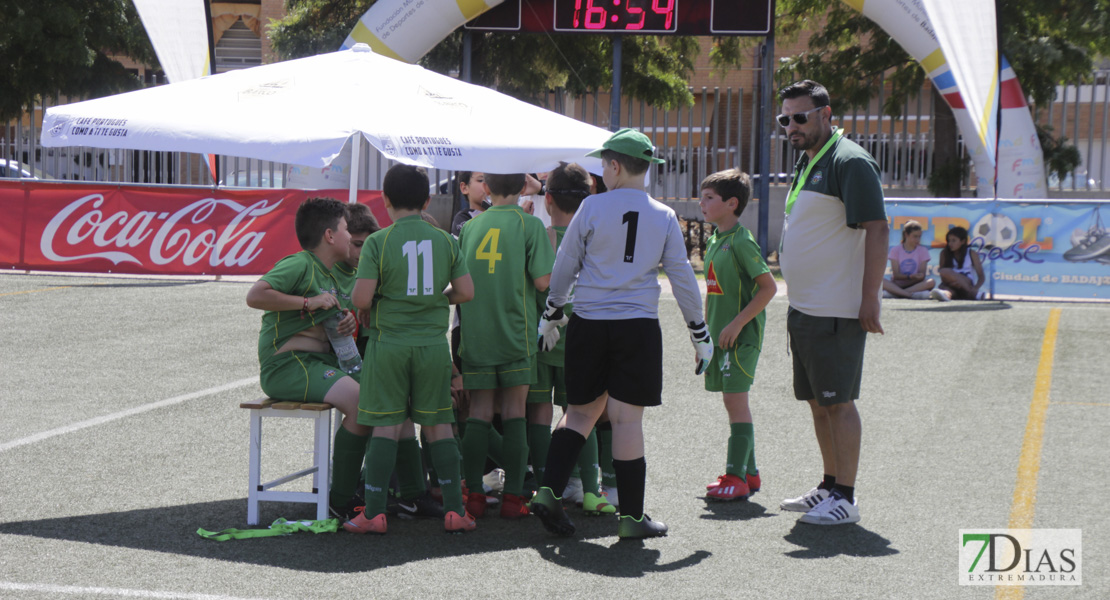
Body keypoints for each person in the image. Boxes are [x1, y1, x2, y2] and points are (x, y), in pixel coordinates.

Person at [529, 128, 713, 540]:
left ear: (614, 166)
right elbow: (682, 277)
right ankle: (630, 519)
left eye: (602, 167)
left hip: (589, 324)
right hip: (637, 327)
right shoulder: (664, 215)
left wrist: (552, 311)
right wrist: (698, 331)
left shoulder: (591, 208)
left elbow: (565, 264)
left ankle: (547, 490)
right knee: (627, 420)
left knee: (578, 412)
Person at [776, 80, 887, 526]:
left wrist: (870, 298)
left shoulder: (850, 160)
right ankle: (828, 485)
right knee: (818, 403)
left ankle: (847, 497)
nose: (791, 126)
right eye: (785, 119)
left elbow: (877, 229)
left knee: (838, 402)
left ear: (825, 113)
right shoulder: (809, 160)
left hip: (836, 309)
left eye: (800, 117)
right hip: (805, 307)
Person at [343, 164, 476, 535]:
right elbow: (465, 292)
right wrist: (436, 298)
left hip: (389, 347)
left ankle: (373, 514)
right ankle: (454, 512)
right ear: (427, 200)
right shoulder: (446, 240)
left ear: (385, 200)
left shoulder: (377, 242)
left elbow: (361, 298)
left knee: (386, 424)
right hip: (433, 347)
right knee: (438, 426)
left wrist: (383, 301)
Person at [245, 197, 370, 521]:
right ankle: (341, 498)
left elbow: (326, 325)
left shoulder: (328, 272)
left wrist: (348, 323)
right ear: (330, 235)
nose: (349, 236)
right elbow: (255, 295)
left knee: (385, 395)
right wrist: (307, 301)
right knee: (361, 402)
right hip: (287, 366)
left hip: (318, 364)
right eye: (345, 230)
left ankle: (375, 487)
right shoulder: (300, 263)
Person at [457, 172, 555, 520]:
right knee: (515, 414)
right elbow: (544, 281)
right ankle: (514, 497)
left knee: (479, 414)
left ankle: (474, 498)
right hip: (517, 331)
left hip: (477, 333)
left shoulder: (470, 227)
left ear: (486, 188)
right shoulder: (529, 225)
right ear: (520, 187)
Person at [527, 162, 615, 516]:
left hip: (541, 340)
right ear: (590, 197)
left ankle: (543, 484)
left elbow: (540, 284)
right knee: (583, 414)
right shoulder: (597, 240)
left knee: (539, 413)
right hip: (582, 341)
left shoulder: (541, 235)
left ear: (547, 200)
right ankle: (592, 489)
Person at [698, 168, 777, 501]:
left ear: (732, 203)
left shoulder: (742, 241)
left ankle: (736, 477)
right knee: (732, 402)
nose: (701, 202)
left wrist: (737, 324)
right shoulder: (716, 238)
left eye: (709, 198)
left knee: (735, 401)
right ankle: (750, 474)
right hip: (720, 338)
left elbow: (768, 288)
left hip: (740, 338)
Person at [883, 220, 936, 300]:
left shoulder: (923, 250)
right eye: (915, 236)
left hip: (915, 284)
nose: (918, 240)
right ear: (906, 235)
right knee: (881, 281)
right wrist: (910, 276)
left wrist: (915, 278)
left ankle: (897, 293)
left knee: (931, 282)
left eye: (919, 236)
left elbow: (922, 275)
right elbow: (896, 275)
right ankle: (909, 294)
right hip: (898, 284)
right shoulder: (895, 250)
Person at [931, 226, 985, 301]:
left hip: (966, 283)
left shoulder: (971, 253)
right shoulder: (944, 253)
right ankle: (947, 295)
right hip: (951, 284)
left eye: (954, 240)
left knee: (946, 271)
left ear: (963, 241)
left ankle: (972, 293)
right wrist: (951, 282)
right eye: (949, 241)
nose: (950, 243)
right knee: (944, 283)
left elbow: (981, 276)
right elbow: (943, 275)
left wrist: (975, 288)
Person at [450, 171, 488, 237]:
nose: (487, 185)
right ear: (464, 188)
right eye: (481, 180)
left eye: (491, 181)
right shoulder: (463, 218)